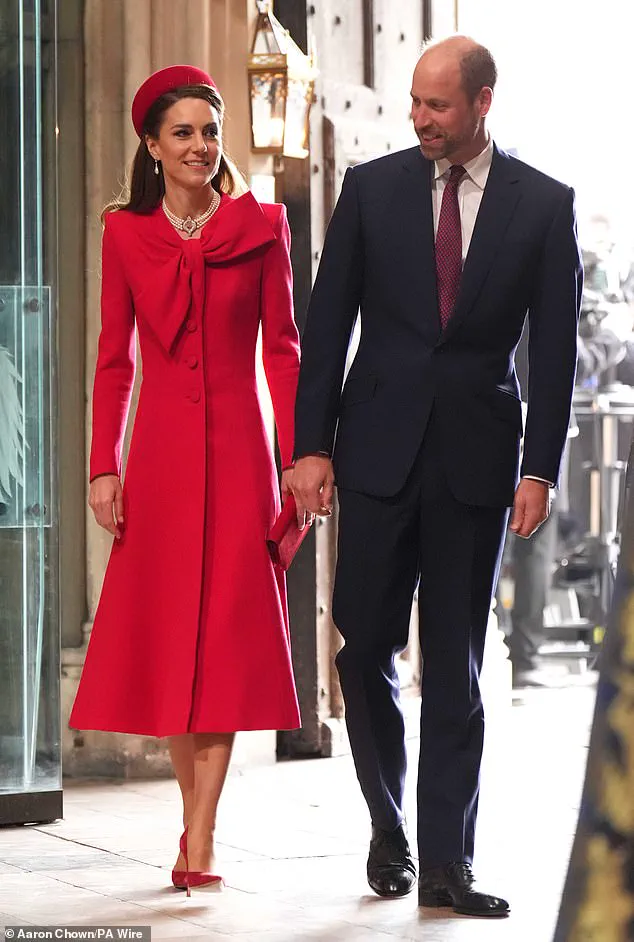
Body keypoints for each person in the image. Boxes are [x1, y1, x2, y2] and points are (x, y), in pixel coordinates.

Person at [290, 36, 581, 917]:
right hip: (375, 452)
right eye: (414, 102)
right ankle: (390, 827)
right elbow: (327, 319)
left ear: (482, 103)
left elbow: (558, 351)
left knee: (457, 666)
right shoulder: (371, 191)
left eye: (438, 106)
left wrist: (540, 467)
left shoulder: (543, 204)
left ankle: (450, 862)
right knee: (362, 646)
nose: (419, 118)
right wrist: (311, 446)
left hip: (477, 463)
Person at [69, 65, 301, 895]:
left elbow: (285, 352)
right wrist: (103, 466)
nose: (201, 146)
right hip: (159, 460)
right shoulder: (124, 235)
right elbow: (112, 359)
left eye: (211, 131)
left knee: (229, 641)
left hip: (242, 455)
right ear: (152, 146)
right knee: (175, 641)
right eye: (184, 134)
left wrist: (298, 459)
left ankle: (199, 833)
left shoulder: (264, 226)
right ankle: (194, 821)